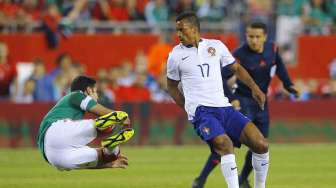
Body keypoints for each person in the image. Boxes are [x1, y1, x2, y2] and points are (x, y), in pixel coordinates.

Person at [166, 11, 269, 188]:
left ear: (193, 28)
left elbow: (236, 68)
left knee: (261, 144)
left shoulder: (216, 46)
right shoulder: (175, 55)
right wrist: (189, 108)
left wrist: (254, 87)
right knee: (224, 144)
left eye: (182, 30)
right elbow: (172, 87)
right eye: (177, 31)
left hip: (225, 108)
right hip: (202, 112)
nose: (179, 35)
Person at [192, 22, 299, 188]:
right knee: (225, 144)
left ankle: (243, 178)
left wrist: (288, 84)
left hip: (262, 103)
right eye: (250, 36)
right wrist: (232, 97)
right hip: (243, 102)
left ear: (265, 37)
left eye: (257, 37)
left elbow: (279, 65)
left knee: (259, 145)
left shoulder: (273, 49)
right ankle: (201, 179)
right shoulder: (239, 54)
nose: (254, 40)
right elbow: (221, 77)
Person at [37, 75, 135, 171]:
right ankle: (104, 129)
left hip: (53, 157)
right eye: (95, 92)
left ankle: (111, 149)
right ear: (89, 90)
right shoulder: (76, 95)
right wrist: (121, 116)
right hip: (56, 130)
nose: (97, 96)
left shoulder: (67, 106)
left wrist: (109, 164)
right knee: (104, 125)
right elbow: (99, 110)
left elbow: (88, 165)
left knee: (105, 157)